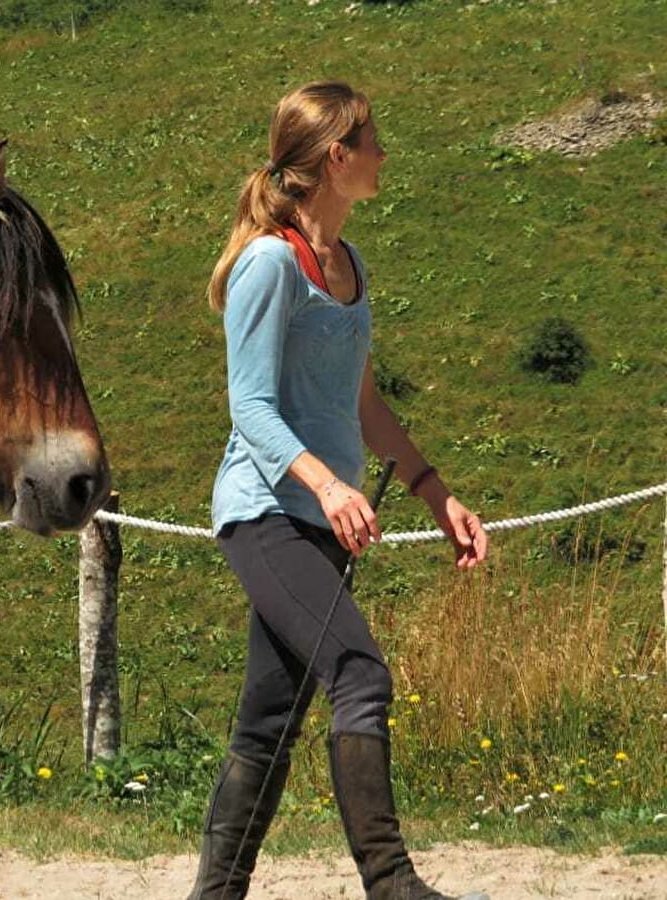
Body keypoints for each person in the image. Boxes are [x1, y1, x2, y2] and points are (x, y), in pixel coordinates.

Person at [188, 82, 490, 900]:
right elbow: (248, 405)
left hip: (319, 517)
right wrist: (325, 484)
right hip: (263, 513)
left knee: (268, 721)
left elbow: (361, 403)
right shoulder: (266, 264)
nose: (384, 153)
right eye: (373, 139)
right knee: (359, 674)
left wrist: (437, 495)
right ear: (336, 157)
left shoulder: (350, 266)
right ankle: (393, 885)